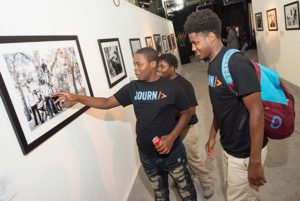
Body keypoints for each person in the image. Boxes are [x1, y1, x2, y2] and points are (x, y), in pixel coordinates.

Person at [53, 47, 197, 201]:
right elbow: (106, 102)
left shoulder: (172, 86)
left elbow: (187, 112)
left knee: (186, 191)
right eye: (134, 64)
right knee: (160, 194)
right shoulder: (133, 88)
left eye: (139, 64)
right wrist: (77, 97)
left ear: (153, 64)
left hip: (172, 154)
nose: (135, 69)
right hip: (147, 155)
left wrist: (171, 137)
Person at [184, 9, 268, 201]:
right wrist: (213, 135)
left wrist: (255, 161)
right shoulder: (213, 64)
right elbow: (221, 106)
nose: (193, 48)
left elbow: (257, 112)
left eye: (196, 43)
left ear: (211, 37)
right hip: (229, 146)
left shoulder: (236, 63)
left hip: (246, 152)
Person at [157, 53, 214, 199]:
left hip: (187, 129)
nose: (159, 70)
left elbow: (191, 111)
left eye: (162, 67)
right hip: (171, 129)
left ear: (172, 67)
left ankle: (206, 181)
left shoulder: (184, 85)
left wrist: (170, 110)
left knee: (192, 158)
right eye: (158, 66)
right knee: (177, 157)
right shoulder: (162, 84)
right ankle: (183, 176)